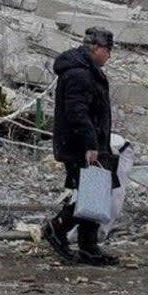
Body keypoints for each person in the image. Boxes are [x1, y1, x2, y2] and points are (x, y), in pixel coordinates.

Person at [42, 26, 119, 266]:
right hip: (81, 146)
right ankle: (56, 228)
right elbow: (77, 112)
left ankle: (89, 246)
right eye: (107, 50)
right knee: (91, 193)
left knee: (96, 191)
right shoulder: (80, 74)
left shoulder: (86, 70)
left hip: (91, 142)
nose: (109, 55)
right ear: (96, 48)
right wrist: (90, 144)